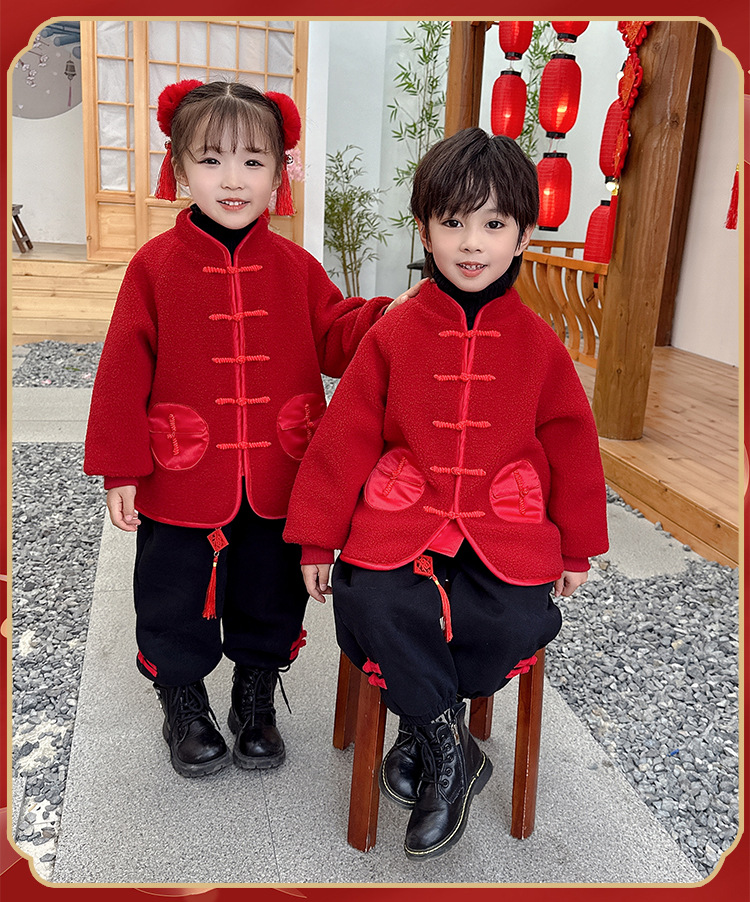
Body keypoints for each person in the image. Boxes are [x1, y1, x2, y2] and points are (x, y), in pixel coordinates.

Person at [284, 128, 609, 860]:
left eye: (493, 224)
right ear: (425, 229)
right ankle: (446, 745)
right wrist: (317, 538)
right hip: (402, 520)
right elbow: (346, 437)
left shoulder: (540, 344)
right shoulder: (394, 332)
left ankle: (426, 734)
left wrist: (578, 548)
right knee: (373, 601)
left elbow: (572, 446)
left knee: (514, 614)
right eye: (453, 221)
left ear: (524, 234)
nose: (471, 243)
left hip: (504, 526)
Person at [84, 79, 408, 779]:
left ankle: (254, 695)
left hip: (280, 471)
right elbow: (122, 369)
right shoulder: (153, 268)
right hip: (181, 472)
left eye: (254, 161)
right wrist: (121, 467)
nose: (233, 179)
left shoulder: (296, 267)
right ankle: (183, 699)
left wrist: (392, 317)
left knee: (270, 589)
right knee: (174, 590)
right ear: (179, 169)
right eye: (211, 160)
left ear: (279, 174)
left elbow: (336, 336)